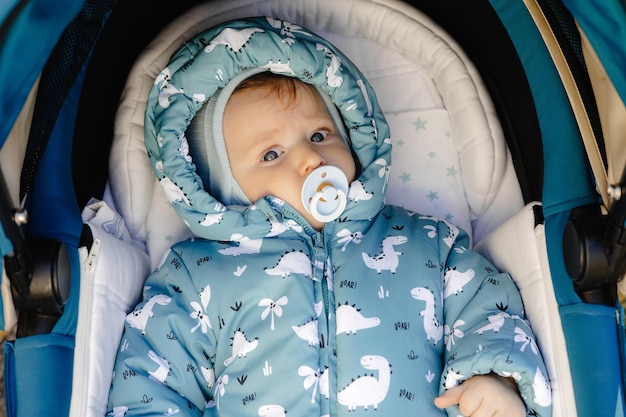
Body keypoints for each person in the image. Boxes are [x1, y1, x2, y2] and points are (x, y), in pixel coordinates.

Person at [107, 18, 552, 417]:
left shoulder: (428, 244)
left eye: (320, 134)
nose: (309, 158)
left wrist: (497, 381)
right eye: (271, 154)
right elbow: (151, 382)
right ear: (221, 189)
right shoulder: (196, 277)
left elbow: (486, 310)